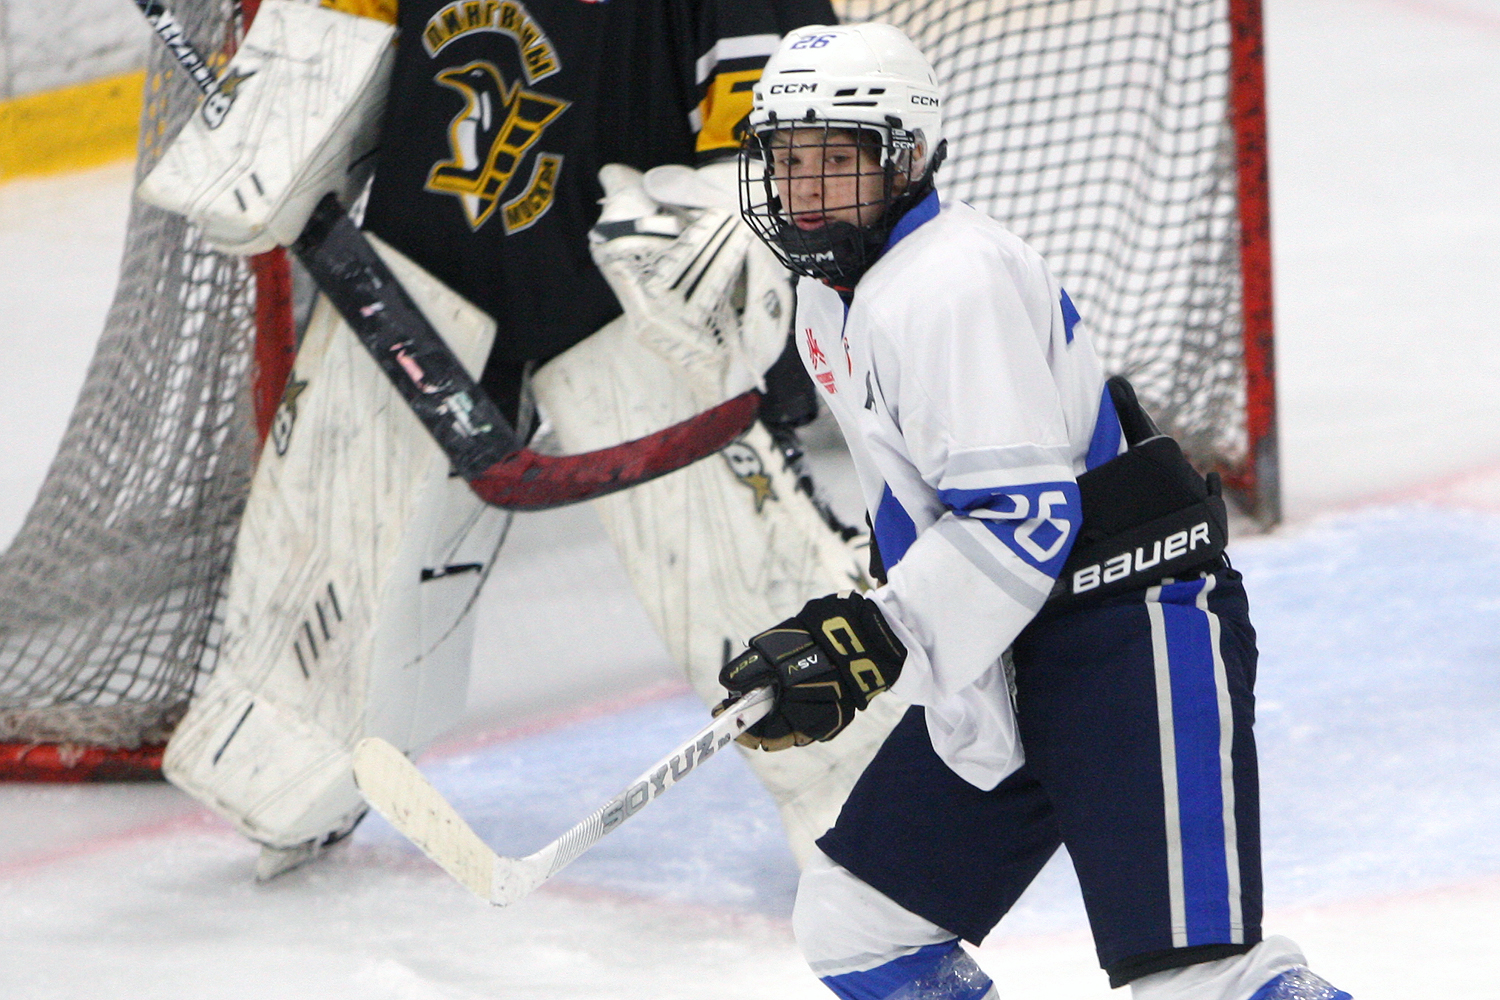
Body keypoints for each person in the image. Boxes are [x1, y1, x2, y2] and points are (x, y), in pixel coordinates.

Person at [143, 0, 903, 875]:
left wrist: (732, 219)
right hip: (420, 259)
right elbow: (339, 21)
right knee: (328, 551)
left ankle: (860, 785)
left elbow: (794, 113)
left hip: (636, 293)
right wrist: (283, 112)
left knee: (735, 568)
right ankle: (291, 735)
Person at [718, 22, 1353, 1000]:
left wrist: (874, 634)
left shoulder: (944, 282)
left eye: (836, 159)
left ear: (910, 154)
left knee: (1198, 982)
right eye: (789, 159)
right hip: (1004, 635)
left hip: (1125, 633)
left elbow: (1022, 517)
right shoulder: (832, 296)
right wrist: (854, 631)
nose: (804, 189)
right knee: (859, 924)